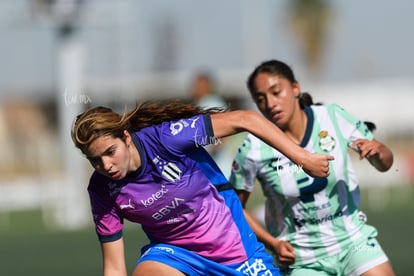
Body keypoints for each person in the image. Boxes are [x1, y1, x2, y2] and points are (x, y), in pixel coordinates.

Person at [71, 100, 333, 276]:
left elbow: (246, 119)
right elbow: (115, 268)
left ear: (126, 138)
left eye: (110, 152)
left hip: (236, 253)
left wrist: (303, 158)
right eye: (95, 160)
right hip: (177, 257)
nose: (106, 165)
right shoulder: (102, 189)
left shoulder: (168, 139)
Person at [229, 59, 395, 276]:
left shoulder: (332, 117)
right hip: (302, 261)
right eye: (261, 99)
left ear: (295, 88)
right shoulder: (253, 148)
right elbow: (233, 207)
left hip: (354, 243)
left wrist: (378, 153)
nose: (270, 104)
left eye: (276, 92)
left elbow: (385, 163)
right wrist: (272, 243)